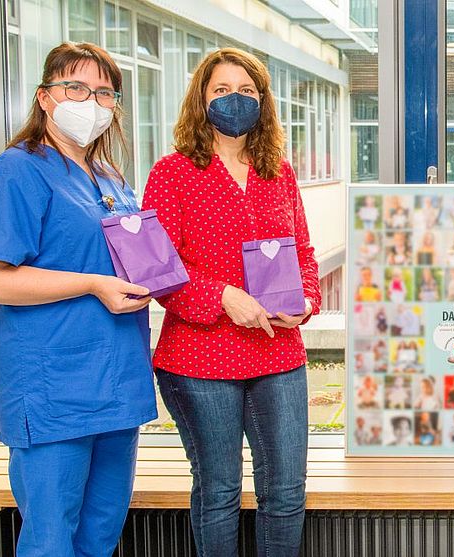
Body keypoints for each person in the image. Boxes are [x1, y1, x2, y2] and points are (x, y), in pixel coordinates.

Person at [0, 42, 157, 557]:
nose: (89, 101)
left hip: (117, 388)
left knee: (99, 536)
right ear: (45, 97)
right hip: (54, 393)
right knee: (50, 541)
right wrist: (91, 284)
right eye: (75, 87)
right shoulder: (16, 171)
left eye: (103, 92)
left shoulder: (111, 180)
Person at [143, 47, 321, 556]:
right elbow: (158, 270)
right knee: (218, 492)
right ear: (201, 99)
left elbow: (304, 252)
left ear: (262, 102)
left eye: (247, 91)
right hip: (201, 359)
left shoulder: (278, 172)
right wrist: (222, 296)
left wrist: (306, 300)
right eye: (221, 89)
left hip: (277, 352)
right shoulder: (172, 173)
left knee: (286, 494)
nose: (234, 99)